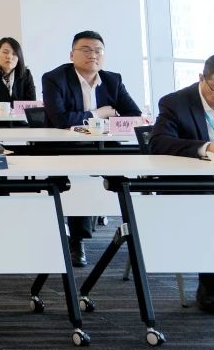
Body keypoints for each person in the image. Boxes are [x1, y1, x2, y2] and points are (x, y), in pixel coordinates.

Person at [42, 30, 142, 266]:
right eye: (85, 50)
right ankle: (77, 240)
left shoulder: (112, 80)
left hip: (104, 145)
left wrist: (97, 119)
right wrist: (100, 113)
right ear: (72, 55)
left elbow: (134, 115)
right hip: (66, 146)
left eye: (98, 51)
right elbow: (61, 119)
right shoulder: (55, 78)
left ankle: (134, 232)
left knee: (128, 177)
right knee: (78, 181)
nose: (93, 55)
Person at [149, 53, 214, 314]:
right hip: (193, 185)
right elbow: (158, 143)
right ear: (202, 79)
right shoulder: (176, 103)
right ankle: (210, 288)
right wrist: (208, 147)